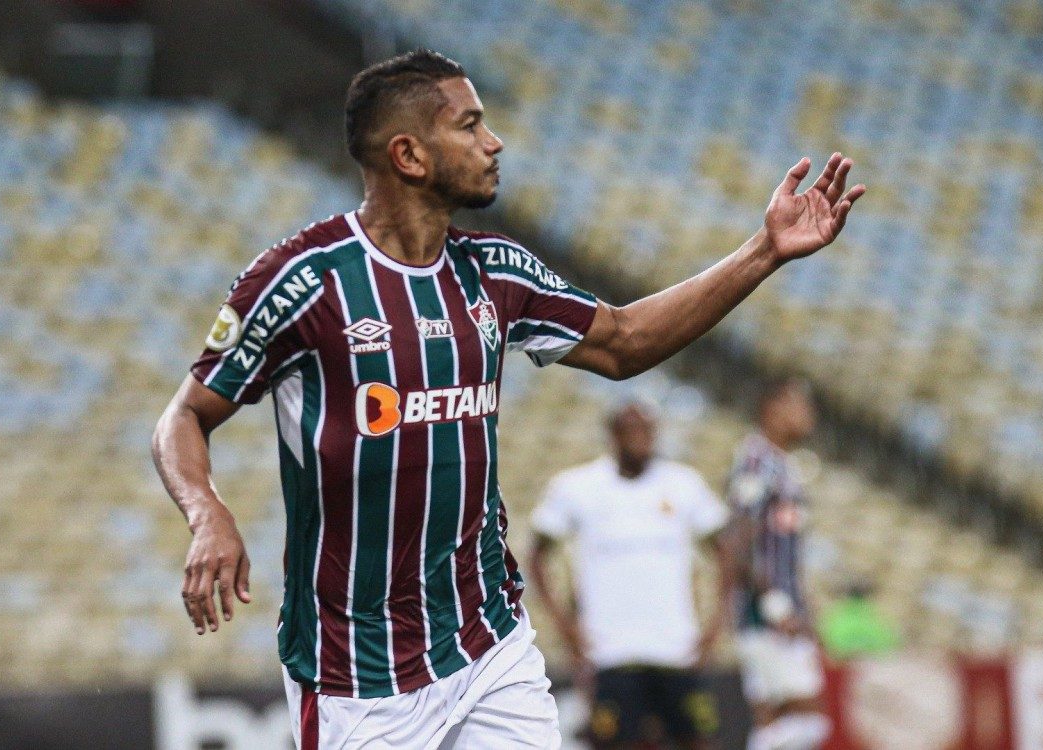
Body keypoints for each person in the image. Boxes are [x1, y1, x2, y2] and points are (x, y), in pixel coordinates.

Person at [150, 48, 864, 749]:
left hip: (488, 642)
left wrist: (764, 251)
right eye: (469, 125)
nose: (494, 143)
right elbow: (184, 416)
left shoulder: (495, 271)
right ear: (409, 155)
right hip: (355, 674)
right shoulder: (305, 282)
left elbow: (624, 342)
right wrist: (207, 512)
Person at [528, 399, 732, 749]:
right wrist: (565, 625)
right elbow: (537, 556)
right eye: (630, 430)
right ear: (613, 435)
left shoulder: (683, 484)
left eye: (646, 431)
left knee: (696, 739)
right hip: (610, 651)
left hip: (676, 648)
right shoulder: (578, 486)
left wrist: (715, 624)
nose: (640, 439)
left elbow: (725, 552)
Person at [724, 379, 830, 750]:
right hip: (764, 614)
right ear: (773, 408)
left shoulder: (784, 464)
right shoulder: (757, 462)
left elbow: (783, 545)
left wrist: (802, 604)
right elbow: (738, 539)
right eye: (800, 405)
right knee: (802, 719)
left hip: (782, 608)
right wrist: (774, 604)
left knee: (782, 719)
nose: (809, 414)